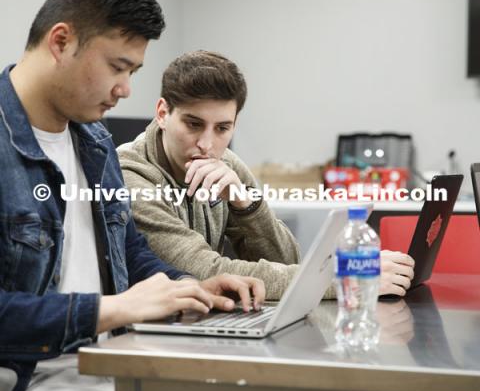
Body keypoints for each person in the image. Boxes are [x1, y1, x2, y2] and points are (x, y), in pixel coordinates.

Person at [0, 0, 306, 391]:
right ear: (60, 42)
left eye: (133, 71)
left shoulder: (93, 144)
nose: (125, 89)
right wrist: (115, 310)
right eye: (117, 68)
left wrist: (191, 285)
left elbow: (129, 252)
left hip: (118, 377)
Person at [118, 50, 415, 301]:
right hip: (150, 339)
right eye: (193, 124)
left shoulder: (226, 165)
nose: (207, 144)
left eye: (222, 128)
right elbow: (206, 274)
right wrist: (344, 277)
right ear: (162, 113)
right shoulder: (129, 176)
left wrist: (245, 204)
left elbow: (287, 262)